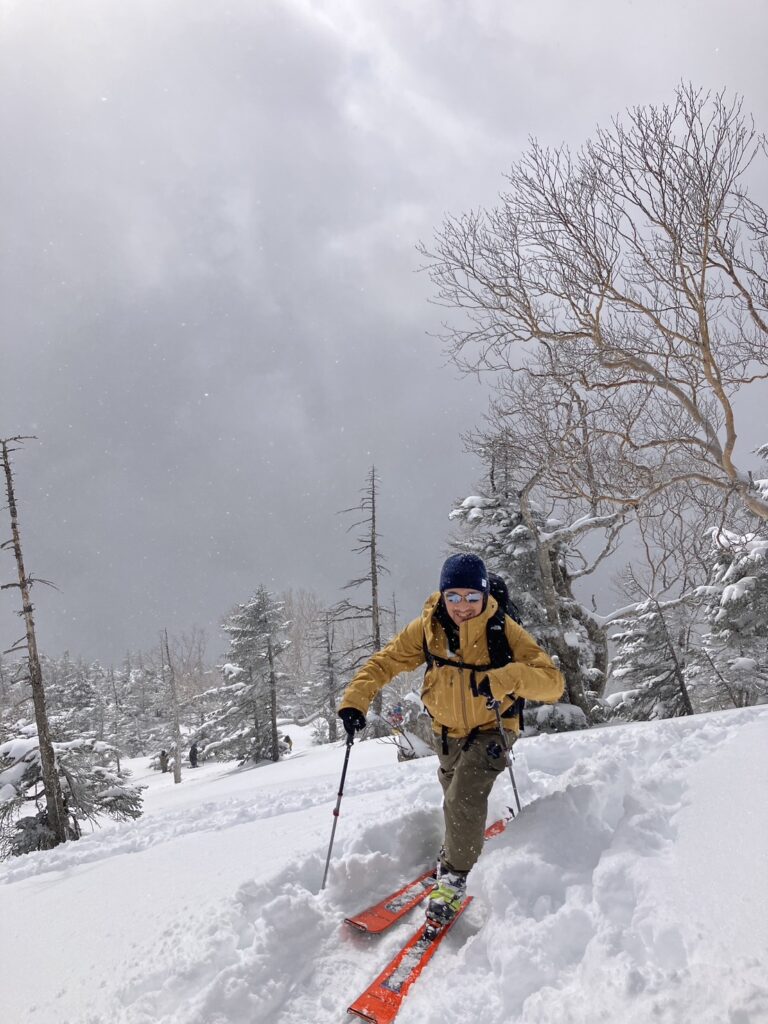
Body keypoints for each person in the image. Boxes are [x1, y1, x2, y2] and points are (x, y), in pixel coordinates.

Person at [338, 553, 564, 928]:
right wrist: (354, 701)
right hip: (446, 733)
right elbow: (385, 662)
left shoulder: (503, 629)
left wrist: (506, 678)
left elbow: (552, 683)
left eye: (471, 597)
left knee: (464, 796)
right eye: (454, 597)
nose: (462, 606)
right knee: (454, 795)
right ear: (442, 595)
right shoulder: (428, 628)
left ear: (484, 595)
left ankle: (454, 878)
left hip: (494, 726)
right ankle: (459, 846)